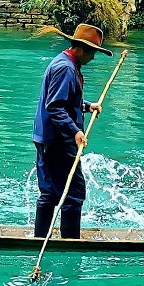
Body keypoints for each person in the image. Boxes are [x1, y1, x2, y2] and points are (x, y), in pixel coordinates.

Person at [31, 24, 112, 240]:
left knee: (49, 193)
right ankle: (69, 242)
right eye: (93, 52)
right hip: (59, 140)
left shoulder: (64, 63)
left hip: (46, 137)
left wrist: (87, 106)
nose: (93, 58)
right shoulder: (66, 68)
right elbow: (55, 106)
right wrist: (75, 131)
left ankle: (41, 238)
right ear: (82, 49)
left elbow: (66, 100)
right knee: (74, 194)